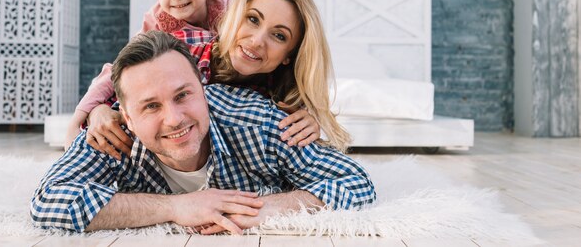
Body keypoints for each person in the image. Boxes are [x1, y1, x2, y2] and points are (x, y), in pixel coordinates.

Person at [30, 31, 376, 233]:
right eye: (151, 106)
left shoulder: (256, 121)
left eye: (184, 95)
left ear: (204, 86)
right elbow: (48, 202)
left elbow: (355, 182)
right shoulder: (112, 134)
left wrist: (263, 209)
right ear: (128, 117)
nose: (175, 119)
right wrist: (176, 208)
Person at [85, 0, 351, 162]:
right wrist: (98, 109)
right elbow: (129, 86)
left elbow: (330, 163)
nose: (257, 40)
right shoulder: (184, 49)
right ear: (235, 15)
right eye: (253, 19)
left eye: (279, 36)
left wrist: (314, 124)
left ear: (289, 55)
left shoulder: (284, 103)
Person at [64, 0, 229, 148]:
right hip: (170, 90)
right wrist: (81, 114)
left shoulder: (229, 13)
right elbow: (121, 67)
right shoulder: (157, 20)